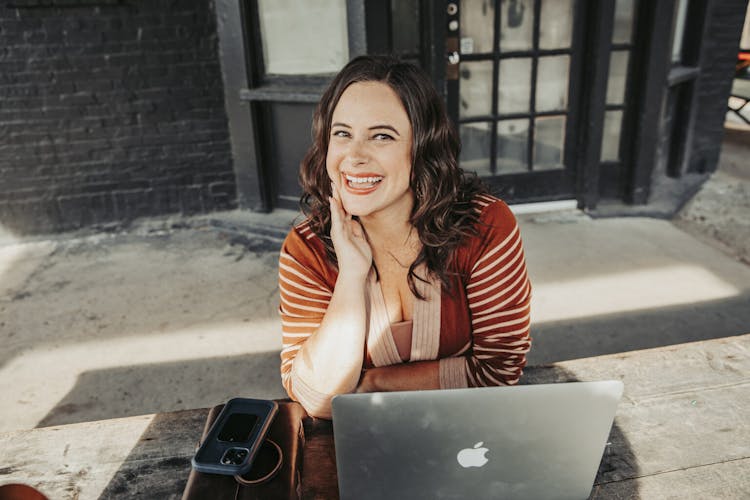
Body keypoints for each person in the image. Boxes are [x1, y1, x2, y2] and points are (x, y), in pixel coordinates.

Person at [278, 55, 531, 419]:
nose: (354, 156)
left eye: (382, 136)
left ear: (422, 147)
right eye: (342, 133)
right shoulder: (307, 249)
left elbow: (497, 370)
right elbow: (317, 398)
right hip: (356, 444)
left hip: (467, 433)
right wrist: (350, 275)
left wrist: (370, 385)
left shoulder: (485, 226)